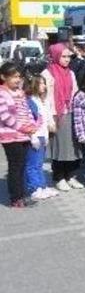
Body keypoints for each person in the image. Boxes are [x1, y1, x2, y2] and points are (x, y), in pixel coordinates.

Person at [43, 43, 84, 191]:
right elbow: (45, 99)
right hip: (56, 115)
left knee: (73, 147)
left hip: (71, 113)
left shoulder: (71, 73)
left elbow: (75, 93)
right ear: (55, 56)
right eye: (64, 56)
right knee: (59, 148)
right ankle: (59, 177)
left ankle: (71, 176)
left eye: (69, 56)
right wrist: (49, 119)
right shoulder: (47, 74)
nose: (67, 59)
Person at [0, 62, 39, 208]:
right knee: (15, 166)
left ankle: (22, 194)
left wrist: (32, 125)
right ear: (3, 77)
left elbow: (27, 111)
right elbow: (5, 117)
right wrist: (23, 128)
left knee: (22, 165)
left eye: (18, 77)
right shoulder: (2, 93)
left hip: (23, 134)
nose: (17, 80)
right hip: (10, 136)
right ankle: (15, 197)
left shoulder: (20, 92)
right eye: (13, 77)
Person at [24, 75, 58, 200]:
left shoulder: (43, 100)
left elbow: (46, 118)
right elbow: (28, 120)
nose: (44, 86)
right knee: (32, 164)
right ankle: (34, 188)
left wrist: (51, 127)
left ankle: (42, 186)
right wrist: (32, 136)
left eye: (44, 83)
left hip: (43, 135)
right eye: (40, 83)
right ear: (34, 85)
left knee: (39, 163)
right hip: (35, 136)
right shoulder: (30, 101)